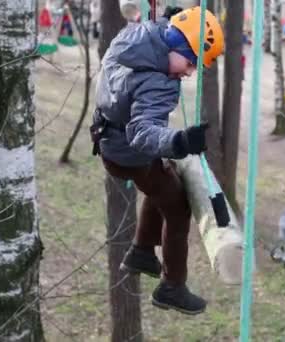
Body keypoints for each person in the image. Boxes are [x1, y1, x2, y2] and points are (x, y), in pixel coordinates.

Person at [90, 7, 224, 316]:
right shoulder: (159, 82)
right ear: (177, 48)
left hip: (110, 143)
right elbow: (141, 133)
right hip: (129, 153)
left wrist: (169, 19)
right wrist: (178, 141)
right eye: (191, 63)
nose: (189, 72)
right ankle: (172, 286)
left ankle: (142, 252)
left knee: (164, 181)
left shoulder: (135, 37)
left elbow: (160, 28)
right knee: (178, 207)